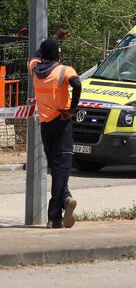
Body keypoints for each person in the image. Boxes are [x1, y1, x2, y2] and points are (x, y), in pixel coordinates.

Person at [28, 37, 82, 228]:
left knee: (56, 168)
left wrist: (54, 38)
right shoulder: (64, 70)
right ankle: (54, 216)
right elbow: (77, 84)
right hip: (62, 122)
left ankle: (66, 198)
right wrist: (72, 109)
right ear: (58, 54)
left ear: (42, 56)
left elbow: (35, 56)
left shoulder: (35, 70)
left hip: (45, 125)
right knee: (62, 168)